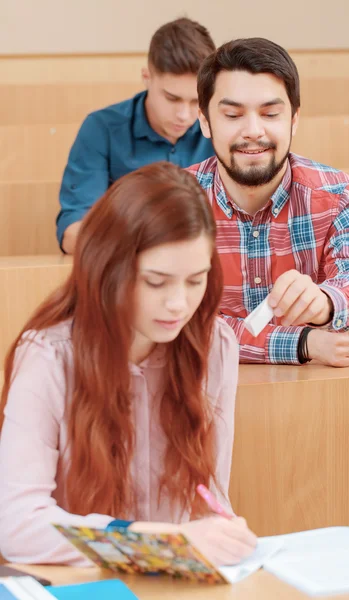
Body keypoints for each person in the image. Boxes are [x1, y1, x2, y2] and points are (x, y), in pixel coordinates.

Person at [0, 163, 256, 567]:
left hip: (173, 581)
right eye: (156, 281)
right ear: (108, 269)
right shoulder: (49, 356)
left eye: (196, 280)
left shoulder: (215, 345)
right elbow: (17, 527)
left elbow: (209, 495)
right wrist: (165, 543)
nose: (178, 304)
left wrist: (221, 534)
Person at [188, 37, 349, 367]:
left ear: (293, 119)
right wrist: (304, 341)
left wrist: (323, 304)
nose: (253, 131)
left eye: (270, 113)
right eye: (233, 115)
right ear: (205, 121)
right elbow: (183, 329)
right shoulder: (173, 202)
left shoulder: (340, 196)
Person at [57, 18, 216, 254]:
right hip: (127, 270)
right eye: (172, 98)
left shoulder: (221, 128)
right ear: (146, 77)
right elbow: (72, 230)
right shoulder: (101, 128)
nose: (184, 115)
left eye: (196, 101)